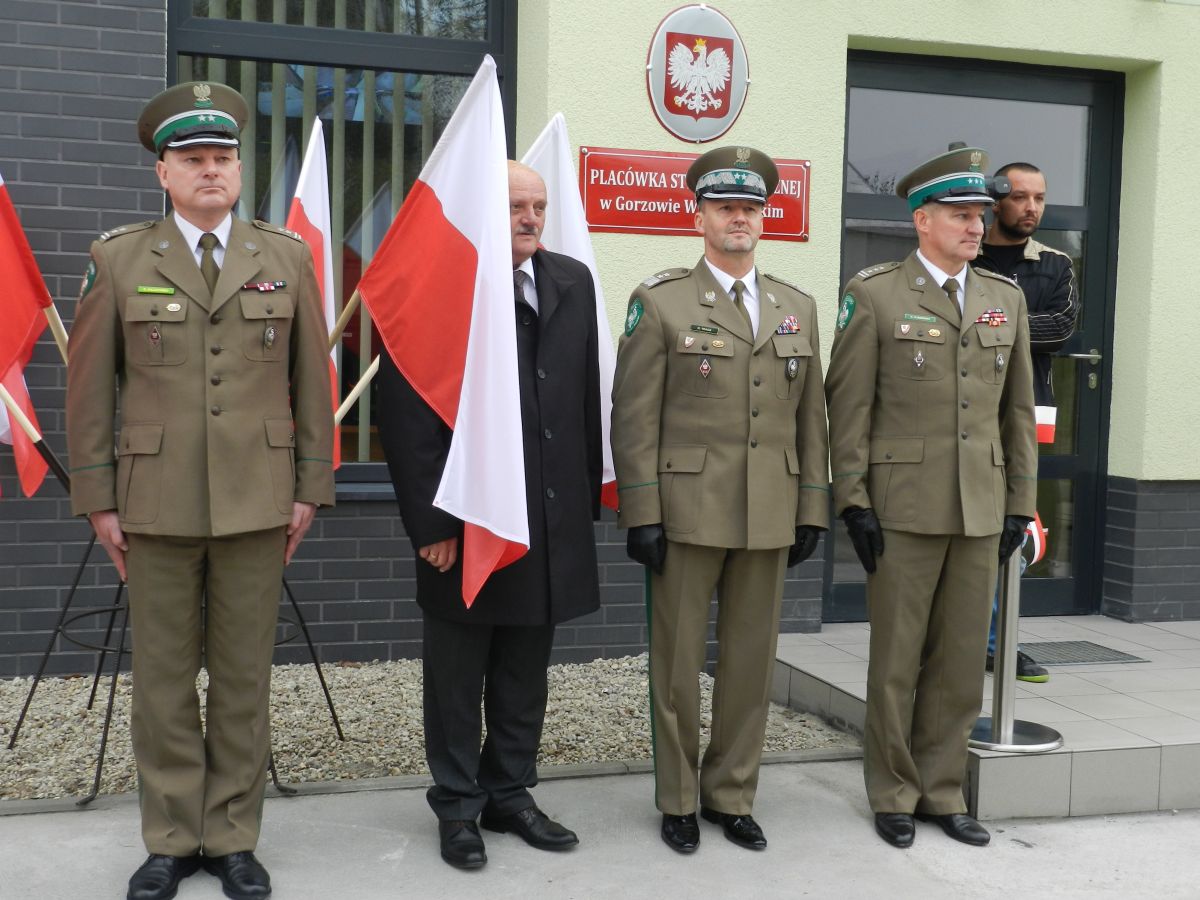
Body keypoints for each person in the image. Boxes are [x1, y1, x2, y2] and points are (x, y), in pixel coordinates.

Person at [66, 82, 335, 900]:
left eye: (223, 157)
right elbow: (89, 391)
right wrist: (99, 499)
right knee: (163, 681)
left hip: (259, 499)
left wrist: (310, 486)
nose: (210, 170)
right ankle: (172, 838)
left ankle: (232, 838)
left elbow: (312, 383)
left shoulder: (285, 258)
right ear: (164, 173)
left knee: (245, 679)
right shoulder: (120, 259)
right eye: (193, 160)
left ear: (239, 169)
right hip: (156, 504)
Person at [378, 161, 603, 870]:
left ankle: (509, 792)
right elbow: (407, 415)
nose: (530, 217)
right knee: (456, 675)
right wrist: (432, 525)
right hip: (466, 520)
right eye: (514, 206)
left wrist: (584, 503)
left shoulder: (571, 281)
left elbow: (583, 397)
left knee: (523, 669)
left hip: (545, 517)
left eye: (538, 205)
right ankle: (457, 806)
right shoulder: (441, 286)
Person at [610, 146, 829, 855]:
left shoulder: (797, 307)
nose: (740, 218)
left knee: (750, 663)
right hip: (686, 512)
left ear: (764, 218)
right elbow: (632, 417)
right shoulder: (662, 301)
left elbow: (812, 419)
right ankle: (677, 799)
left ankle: (730, 794)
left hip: (769, 511)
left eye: (751, 208)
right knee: (676, 665)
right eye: (725, 207)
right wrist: (642, 511)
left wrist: (812, 506)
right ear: (698, 216)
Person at [825, 145, 1037, 850]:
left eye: (979, 215)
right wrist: (853, 501)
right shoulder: (877, 294)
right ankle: (893, 791)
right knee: (897, 660)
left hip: (980, 506)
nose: (976, 226)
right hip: (903, 507)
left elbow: (1017, 411)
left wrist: (1018, 502)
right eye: (960, 215)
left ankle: (943, 791)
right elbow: (848, 407)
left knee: (958, 663)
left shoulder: (1004, 300)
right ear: (922, 220)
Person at [976, 161, 1079, 683]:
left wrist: (992, 324)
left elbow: (1060, 328)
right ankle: (967, 640)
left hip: (1030, 412)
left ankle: (999, 644)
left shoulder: (1055, 264)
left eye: (1039, 197)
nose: (1032, 207)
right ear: (996, 200)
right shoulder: (967, 254)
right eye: (1020, 196)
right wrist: (1012, 327)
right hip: (969, 410)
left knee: (1018, 531)